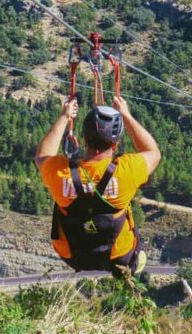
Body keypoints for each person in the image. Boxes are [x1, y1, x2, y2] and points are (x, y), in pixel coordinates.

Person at [35, 95, 161, 276]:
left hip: (72, 254)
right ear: (116, 142)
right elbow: (153, 153)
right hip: (117, 255)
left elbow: (42, 157)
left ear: (84, 138)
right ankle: (127, 269)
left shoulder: (60, 173)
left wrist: (65, 117)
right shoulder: (126, 171)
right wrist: (126, 115)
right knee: (136, 253)